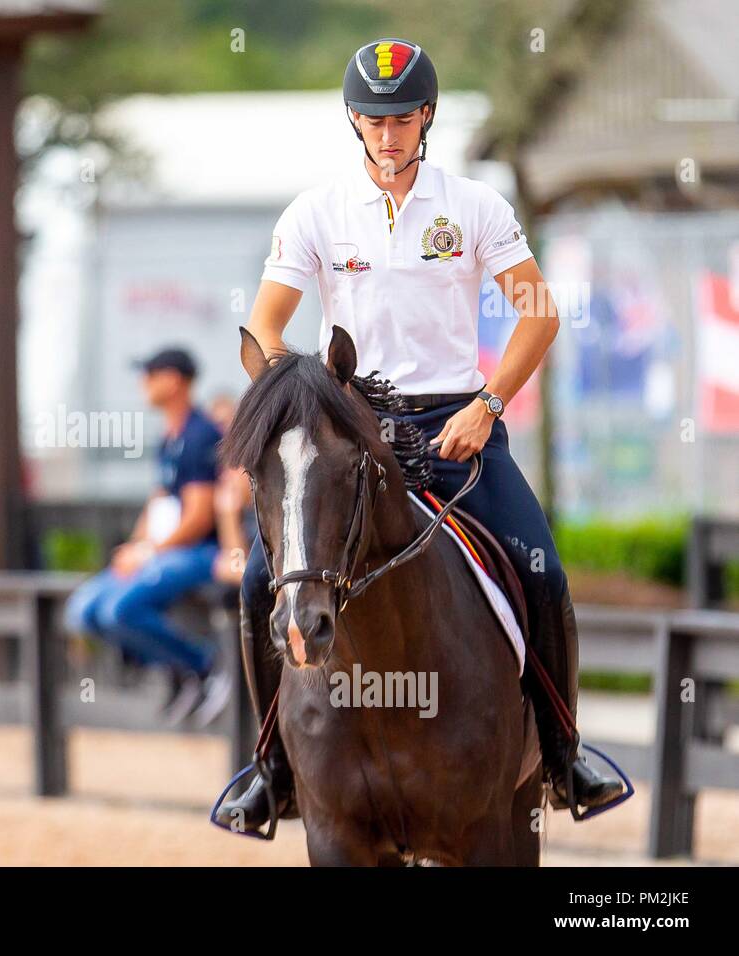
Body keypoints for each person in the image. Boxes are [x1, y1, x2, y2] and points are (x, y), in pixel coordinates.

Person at [213, 38, 624, 834]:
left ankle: (566, 753)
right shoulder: (315, 213)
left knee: (539, 565)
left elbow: (538, 314)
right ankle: (268, 769)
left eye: (402, 118)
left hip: (456, 430)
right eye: (373, 119)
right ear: (354, 123)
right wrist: (295, 396)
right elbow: (264, 326)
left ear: (426, 117)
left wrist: (491, 404)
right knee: (260, 578)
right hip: (347, 434)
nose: (388, 133)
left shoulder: (474, 206)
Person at [63, 348, 232, 728]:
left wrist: (149, 552)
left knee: (117, 611)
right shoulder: (171, 433)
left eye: (150, 374)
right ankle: (181, 668)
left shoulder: (201, 432)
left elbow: (199, 514)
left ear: (173, 380)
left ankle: (206, 665)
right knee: (82, 610)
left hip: (201, 552)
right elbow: (160, 498)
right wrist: (136, 548)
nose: (143, 383)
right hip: (165, 551)